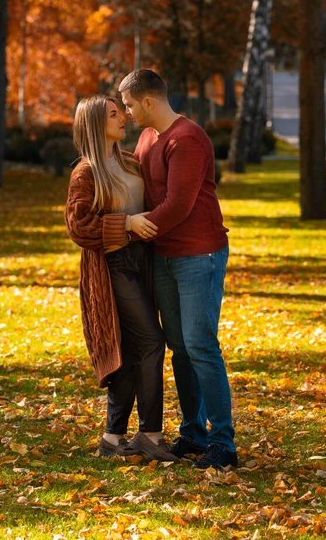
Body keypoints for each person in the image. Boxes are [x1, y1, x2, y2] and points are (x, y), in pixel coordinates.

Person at [119, 70, 237, 469]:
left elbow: (177, 206)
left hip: (198, 255)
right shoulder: (148, 138)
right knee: (181, 350)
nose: (128, 112)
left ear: (148, 101)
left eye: (131, 105)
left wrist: (131, 233)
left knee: (201, 345)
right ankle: (193, 434)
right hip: (164, 256)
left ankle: (224, 444)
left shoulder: (187, 139)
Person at [65, 95, 178, 462]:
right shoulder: (86, 172)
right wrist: (125, 223)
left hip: (142, 262)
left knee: (131, 352)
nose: (123, 117)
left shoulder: (130, 162)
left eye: (121, 111)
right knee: (151, 342)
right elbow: (78, 226)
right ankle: (150, 433)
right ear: (96, 124)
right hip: (113, 267)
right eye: (113, 114)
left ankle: (113, 440)